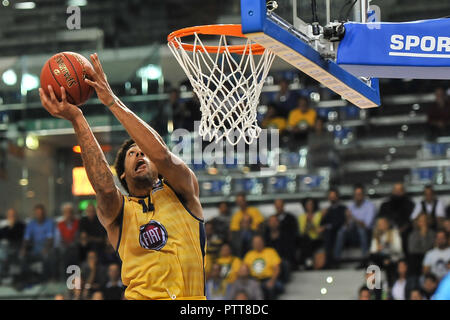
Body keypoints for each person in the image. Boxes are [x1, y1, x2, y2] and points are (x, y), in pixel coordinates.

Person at [39, 53, 206, 300]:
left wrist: (112, 101)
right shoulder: (120, 211)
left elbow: (162, 156)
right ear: (124, 176)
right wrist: (77, 118)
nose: (139, 152)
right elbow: (105, 189)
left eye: (141, 151)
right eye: (131, 154)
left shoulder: (182, 190)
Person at [335, 184, 375, 267]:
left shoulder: (369, 206)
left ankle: (365, 259)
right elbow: (347, 225)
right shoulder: (350, 205)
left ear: (363, 195)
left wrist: (352, 217)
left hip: (366, 233)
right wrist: (347, 220)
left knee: (361, 229)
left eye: (360, 194)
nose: (358, 196)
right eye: (356, 194)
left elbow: (366, 225)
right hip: (352, 233)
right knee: (341, 231)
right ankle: (336, 259)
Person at [19, 204, 57, 284]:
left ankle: (46, 279)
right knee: (22, 256)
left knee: (47, 256)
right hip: (34, 249)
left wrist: (46, 249)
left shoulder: (49, 223)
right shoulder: (31, 224)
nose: (39, 215)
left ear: (44, 213)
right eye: (37, 213)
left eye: (41, 213)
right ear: (35, 214)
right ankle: (28, 278)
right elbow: (26, 238)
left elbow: (50, 239)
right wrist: (23, 249)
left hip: (46, 248)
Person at [378, 183, 414, 256]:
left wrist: (401, 230)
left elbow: (411, 220)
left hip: (405, 230)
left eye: (400, 190)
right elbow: (381, 219)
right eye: (396, 190)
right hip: (388, 230)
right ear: (392, 191)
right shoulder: (385, 205)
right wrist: (390, 229)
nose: (397, 192)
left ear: (404, 191)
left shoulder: (410, 204)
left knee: (405, 236)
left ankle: (404, 259)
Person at [243, 235, 283, 299]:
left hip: (268, 279)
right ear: (252, 244)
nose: (257, 244)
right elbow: (244, 270)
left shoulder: (271, 252)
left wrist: (272, 281)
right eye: (255, 243)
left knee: (272, 288)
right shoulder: (249, 254)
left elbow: (277, 269)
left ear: (263, 242)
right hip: (253, 280)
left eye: (259, 242)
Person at [369, 217, 403, 287]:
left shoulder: (394, 233)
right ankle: (373, 288)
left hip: (393, 258)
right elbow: (372, 251)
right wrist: (378, 249)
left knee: (388, 262)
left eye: (383, 223)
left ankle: (390, 286)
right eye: (380, 224)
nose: (382, 225)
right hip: (380, 259)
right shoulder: (376, 235)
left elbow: (398, 249)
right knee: (372, 264)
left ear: (387, 224)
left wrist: (388, 246)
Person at [319, 188, 348, 269]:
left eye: (334, 196)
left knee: (337, 233)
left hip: (340, 231)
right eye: (330, 196)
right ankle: (328, 261)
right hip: (329, 233)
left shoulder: (343, 208)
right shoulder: (327, 210)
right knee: (327, 234)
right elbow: (322, 223)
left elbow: (340, 222)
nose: (332, 198)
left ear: (337, 197)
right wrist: (323, 216)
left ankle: (336, 260)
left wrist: (327, 226)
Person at [298, 198, 324, 270]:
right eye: (308, 205)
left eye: (311, 204)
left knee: (307, 243)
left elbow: (319, 230)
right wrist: (307, 223)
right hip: (306, 240)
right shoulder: (301, 217)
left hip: (317, 239)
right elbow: (302, 232)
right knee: (305, 240)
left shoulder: (319, 215)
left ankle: (306, 263)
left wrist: (312, 225)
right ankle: (308, 263)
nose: (309, 206)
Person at [272, 199, 299, 269]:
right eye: (277, 206)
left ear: (283, 206)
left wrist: (280, 235)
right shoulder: (272, 219)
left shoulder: (291, 218)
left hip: (288, 247)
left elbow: (294, 234)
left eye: (280, 206)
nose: (278, 208)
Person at [57, 203, 80, 274]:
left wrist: (72, 243)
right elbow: (58, 238)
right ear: (63, 213)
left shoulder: (77, 222)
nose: (68, 214)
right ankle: (64, 276)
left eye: (70, 212)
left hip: (74, 246)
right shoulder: (60, 224)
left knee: (74, 251)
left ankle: (75, 276)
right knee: (64, 253)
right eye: (66, 212)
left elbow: (78, 236)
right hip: (64, 247)